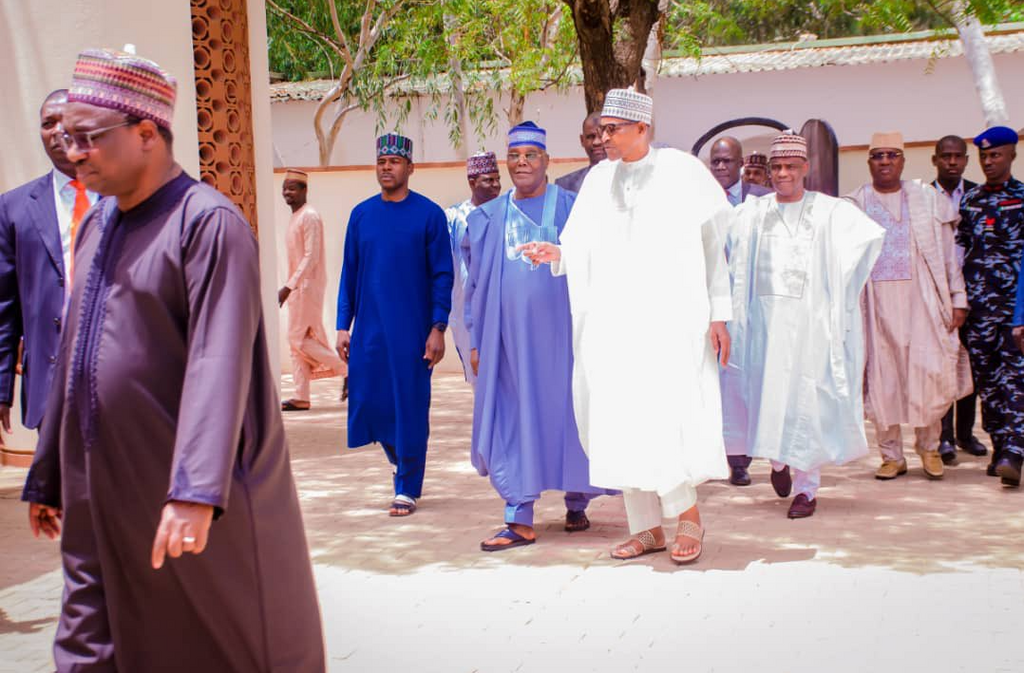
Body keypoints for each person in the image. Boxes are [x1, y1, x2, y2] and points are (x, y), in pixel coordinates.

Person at [21, 48, 324, 671]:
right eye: (67, 136)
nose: (74, 152)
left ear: (147, 133)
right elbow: (76, 350)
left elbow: (219, 363)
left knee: (209, 645)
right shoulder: (97, 223)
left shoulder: (208, 225)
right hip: (98, 491)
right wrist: (50, 468)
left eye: (89, 138)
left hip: (182, 498)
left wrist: (193, 491)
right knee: (88, 647)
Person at [521, 89, 732, 564]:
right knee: (621, 419)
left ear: (643, 128)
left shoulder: (681, 172)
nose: (604, 137)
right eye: (602, 130)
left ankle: (688, 520)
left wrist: (720, 312)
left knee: (665, 416)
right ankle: (647, 529)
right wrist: (558, 255)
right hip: (614, 325)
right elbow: (584, 245)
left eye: (613, 129)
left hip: (670, 323)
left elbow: (712, 249)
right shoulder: (599, 180)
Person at [462, 122, 610, 552]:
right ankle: (518, 515)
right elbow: (473, 286)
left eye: (531, 155)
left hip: (565, 341)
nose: (522, 163)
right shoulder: (487, 218)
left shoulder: (571, 207)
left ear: (546, 161)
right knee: (512, 418)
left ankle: (577, 498)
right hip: (507, 345)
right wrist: (475, 340)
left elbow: (594, 262)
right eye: (515, 156)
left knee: (571, 413)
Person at [721, 132, 884, 518]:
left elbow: (868, 239)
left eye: (790, 167)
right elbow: (718, 238)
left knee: (804, 404)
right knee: (766, 398)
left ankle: (807, 489)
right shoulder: (752, 212)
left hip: (809, 329)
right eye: (776, 167)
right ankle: (778, 463)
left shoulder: (830, 212)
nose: (782, 174)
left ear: (805, 168)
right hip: (764, 329)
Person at [337, 132, 453, 515]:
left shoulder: (429, 215)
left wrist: (438, 326)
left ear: (410, 168)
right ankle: (399, 458)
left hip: (412, 330)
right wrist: (343, 325)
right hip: (370, 330)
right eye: (381, 161)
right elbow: (349, 273)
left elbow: (442, 274)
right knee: (369, 403)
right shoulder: (361, 215)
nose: (387, 166)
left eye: (395, 161)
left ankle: (407, 483)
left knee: (410, 405)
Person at [846, 132, 968, 481]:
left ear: (903, 160)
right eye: (878, 155)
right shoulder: (855, 204)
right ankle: (891, 456)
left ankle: (929, 449)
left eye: (892, 155)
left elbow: (948, 256)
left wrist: (958, 298)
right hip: (876, 306)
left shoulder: (927, 200)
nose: (885, 161)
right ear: (869, 162)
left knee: (927, 373)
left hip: (923, 302)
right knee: (883, 379)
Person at [0, 90, 99, 444]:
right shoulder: (13, 208)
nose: (57, 131)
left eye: (65, 120)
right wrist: (1, 390)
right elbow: (4, 306)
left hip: (121, 380)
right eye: (47, 123)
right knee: (62, 494)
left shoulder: (125, 197)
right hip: (51, 382)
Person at [956, 125, 1024, 486]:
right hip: (980, 312)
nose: (988, 162)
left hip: (1016, 311)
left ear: (1012, 154)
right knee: (989, 385)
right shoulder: (971, 200)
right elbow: (961, 250)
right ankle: (1001, 450)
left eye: (995, 155)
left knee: (1017, 382)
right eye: (984, 156)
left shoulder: (1023, 198)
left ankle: (1015, 450)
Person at [931, 135, 986, 462]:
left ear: (966, 160)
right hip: (936, 294)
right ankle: (945, 437)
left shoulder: (978, 195)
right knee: (941, 366)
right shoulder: (923, 197)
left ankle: (966, 434)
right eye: (945, 156)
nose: (952, 162)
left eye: (957, 157)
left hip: (978, 293)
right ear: (935, 160)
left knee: (970, 364)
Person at [279, 169, 345, 411]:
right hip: (298, 287)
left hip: (306, 286)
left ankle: (347, 369)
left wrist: (288, 286)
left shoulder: (310, 216)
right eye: (285, 187)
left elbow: (311, 256)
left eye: (292, 187)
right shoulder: (296, 216)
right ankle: (301, 396)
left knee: (297, 339)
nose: (287, 192)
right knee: (299, 340)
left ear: (304, 190)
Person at [445, 152, 501, 385]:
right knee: (479, 380)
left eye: (498, 178)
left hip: (501, 306)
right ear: (472, 182)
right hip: (465, 309)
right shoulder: (453, 217)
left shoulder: (506, 210)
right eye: (489, 179)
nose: (496, 185)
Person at [709, 136, 771, 207]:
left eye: (727, 161)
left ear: (740, 163)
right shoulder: (699, 197)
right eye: (715, 161)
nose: (720, 167)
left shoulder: (766, 198)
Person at [555, 111, 606, 194]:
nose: (596, 142)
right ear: (582, 140)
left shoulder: (628, 180)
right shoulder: (565, 185)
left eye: (601, 136)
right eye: (590, 137)